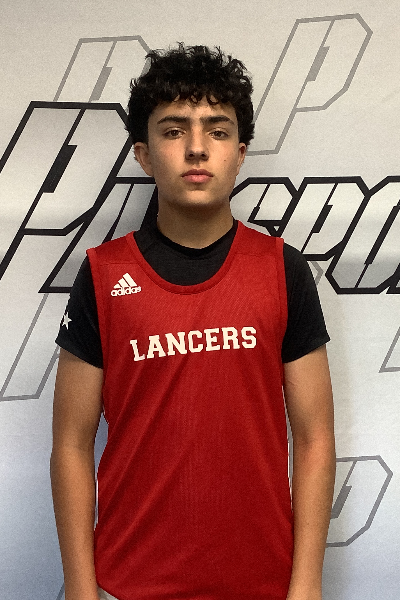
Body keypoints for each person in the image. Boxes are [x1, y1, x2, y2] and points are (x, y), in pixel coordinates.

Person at [51, 44, 336, 600]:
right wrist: (81, 591)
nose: (198, 147)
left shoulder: (282, 271)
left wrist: (306, 584)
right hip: (130, 582)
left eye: (218, 130)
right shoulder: (103, 275)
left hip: (262, 584)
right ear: (143, 153)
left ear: (240, 153)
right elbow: (70, 444)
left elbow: (315, 438)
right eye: (175, 130)